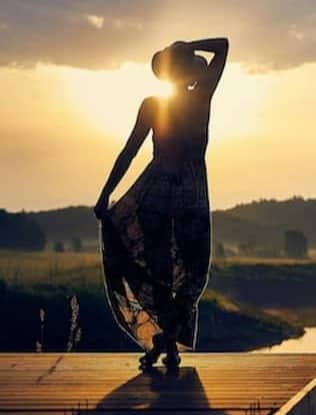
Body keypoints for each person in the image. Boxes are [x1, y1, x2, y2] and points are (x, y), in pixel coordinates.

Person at [94, 38, 228, 370]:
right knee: (175, 276)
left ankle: (165, 342)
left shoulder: (189, 99)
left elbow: (129, 151)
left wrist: (181, 46)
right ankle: (169, 346)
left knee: (184, 274)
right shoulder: (193, 100)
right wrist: (105, 193)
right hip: (178, 196)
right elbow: (222, 46)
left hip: (170, 195)